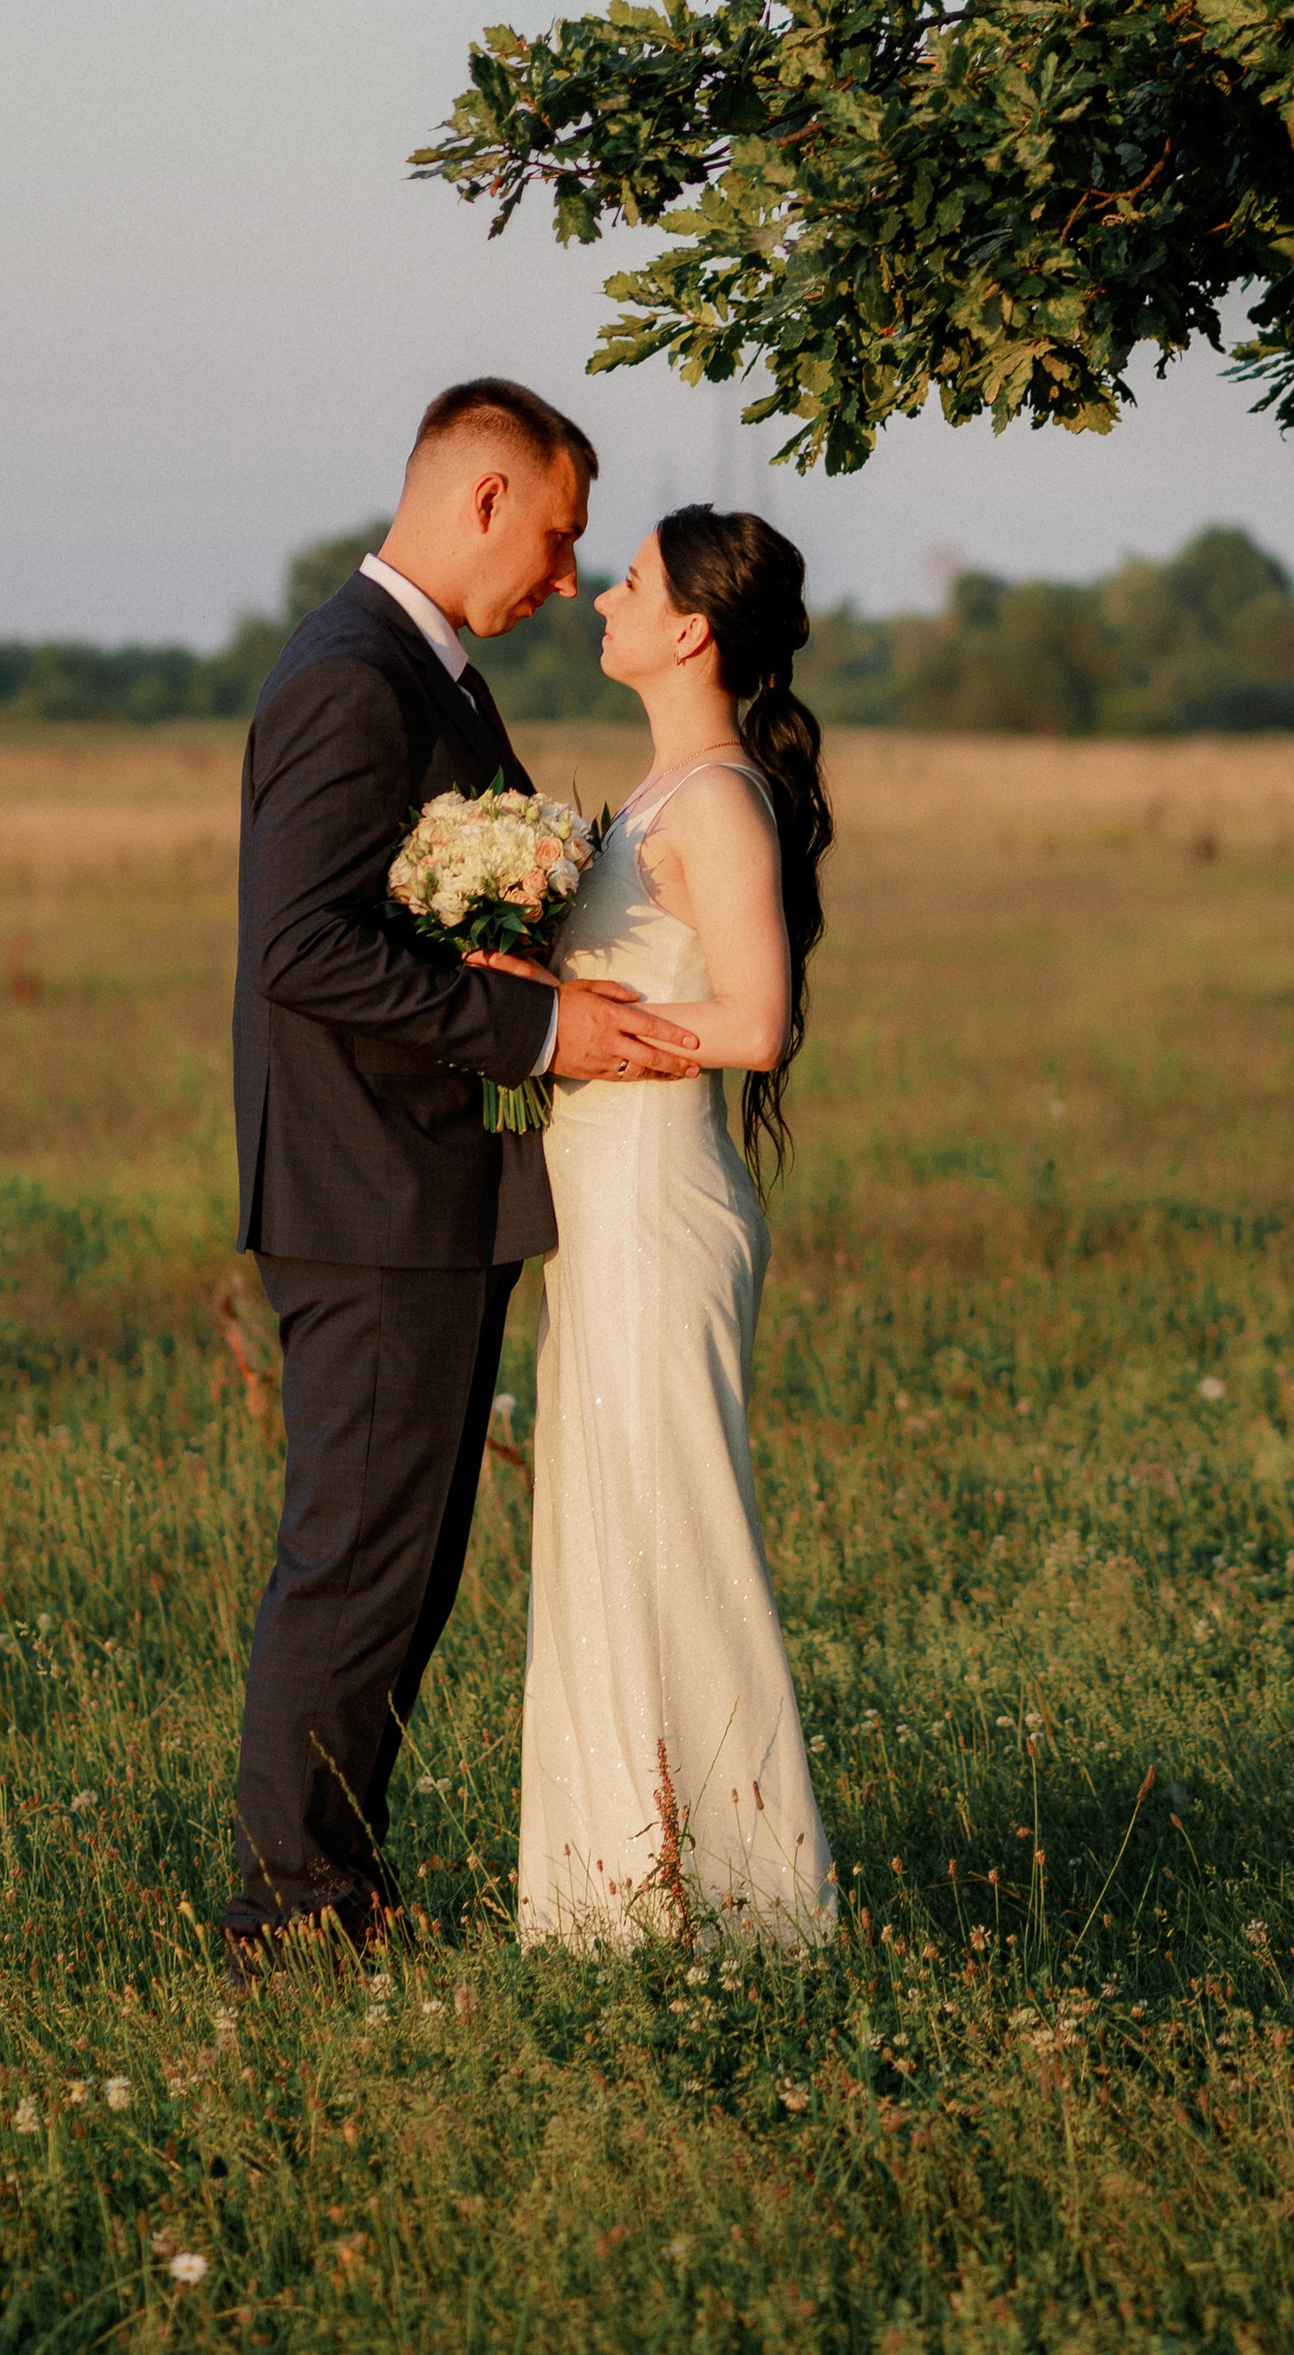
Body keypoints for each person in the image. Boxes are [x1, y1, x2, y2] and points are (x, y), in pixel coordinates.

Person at [224, 378, 698, 1974]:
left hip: (424, 1189)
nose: (567, 577)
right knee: (358, 1562)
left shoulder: (434, 676)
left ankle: (340, 1890)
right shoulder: (352, 678)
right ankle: (291, 1921)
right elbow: (303, 949)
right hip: (367, 1196)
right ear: (483, 499)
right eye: (559, 535)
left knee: (406, 1566)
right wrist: (537, 1034)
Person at [515, 503, 837, 1949]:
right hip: (595, 1207)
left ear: (692, 628)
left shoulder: (715, 799)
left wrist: (590, 1023)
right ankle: (622, 1899)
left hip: (657, 1199)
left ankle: (749, 1904)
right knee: (603, 1531)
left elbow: (757, 1024)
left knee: (675, 1528)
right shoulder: (649, 800)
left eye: (629, 582)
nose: (600, 600)